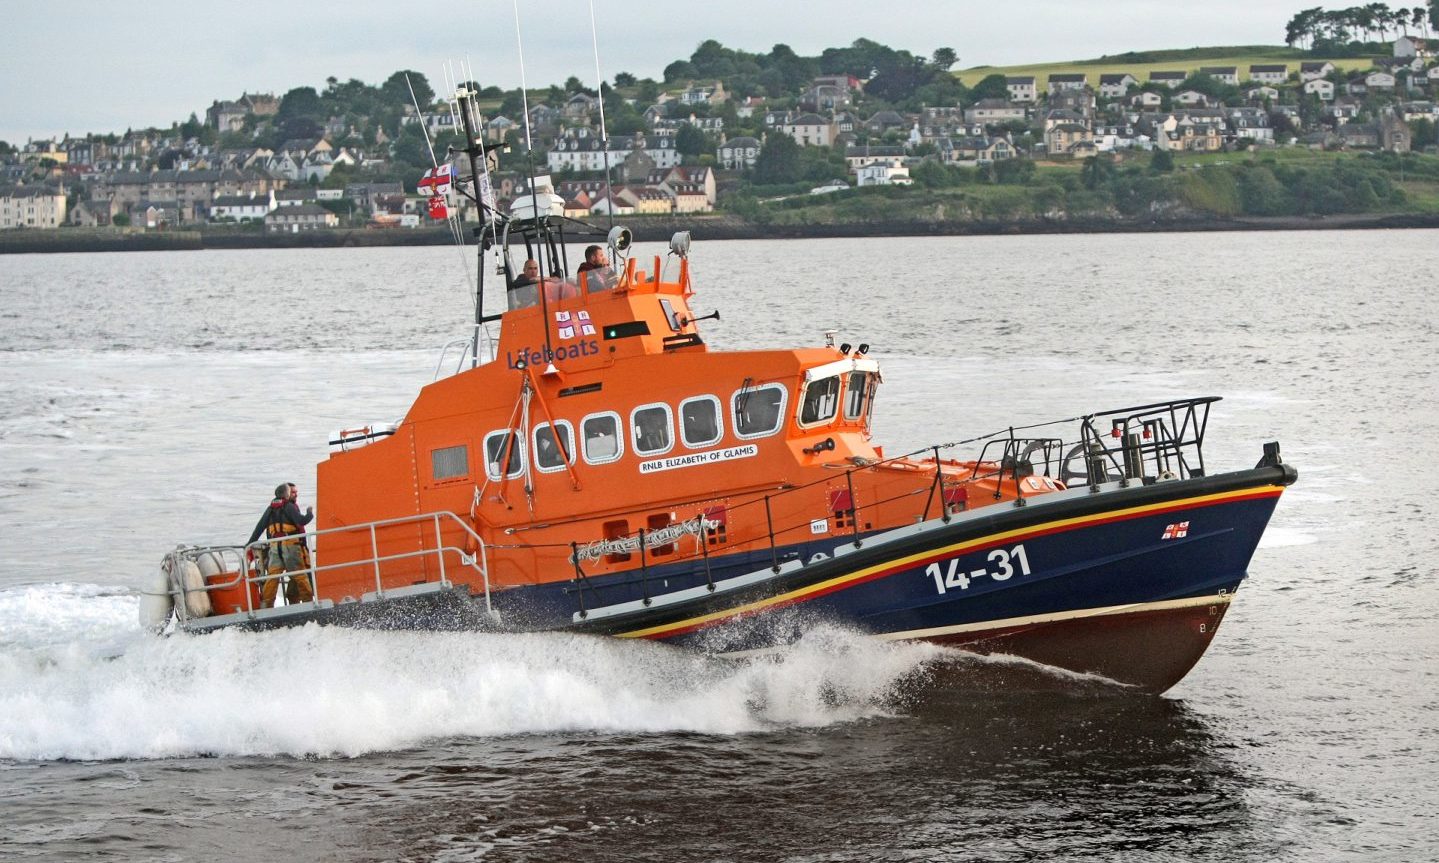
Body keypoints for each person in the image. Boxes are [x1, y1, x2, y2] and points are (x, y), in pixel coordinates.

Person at [247, 482, 315, 607]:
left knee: (272, 577)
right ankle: (309, 603)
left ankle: (266, 606)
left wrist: (248, 545)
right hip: (290, 547)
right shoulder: (289, 506)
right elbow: (302, 521)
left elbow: (259, 528)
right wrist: (310, 512)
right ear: (286, 494)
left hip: (274, 548)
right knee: (299, 575)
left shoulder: (270, 509)